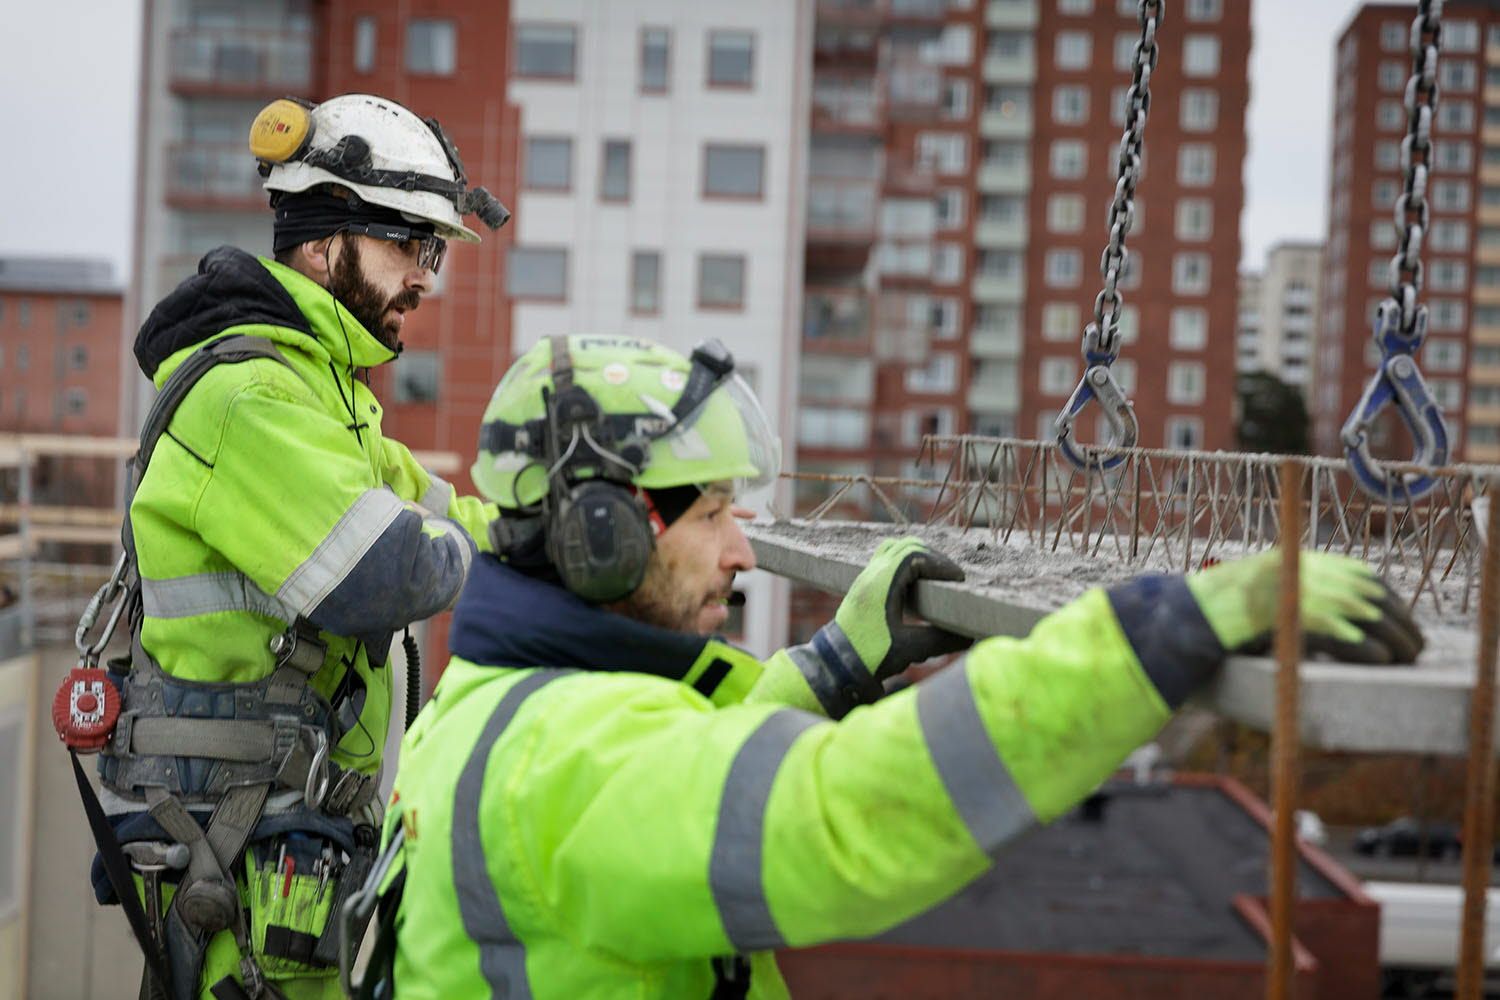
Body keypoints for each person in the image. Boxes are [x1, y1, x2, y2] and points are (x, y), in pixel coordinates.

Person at [370, 335, 1423, 1000]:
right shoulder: (561, 764)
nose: (741, 550)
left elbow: (677, 771)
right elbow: (841, 817)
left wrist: (829, 670)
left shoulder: (492, 707)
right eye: (713, 513)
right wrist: (1148, 634)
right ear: (598, 534)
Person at [87, 94, 508, 1000]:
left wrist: (529, 532)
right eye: (411, 243)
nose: (426, 277)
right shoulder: (251, 398)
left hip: (294, 851)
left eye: (432, 251)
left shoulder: (325, 396)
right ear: (324, 245)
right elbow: (389, 567)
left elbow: (439, 514)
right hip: (237, 869)